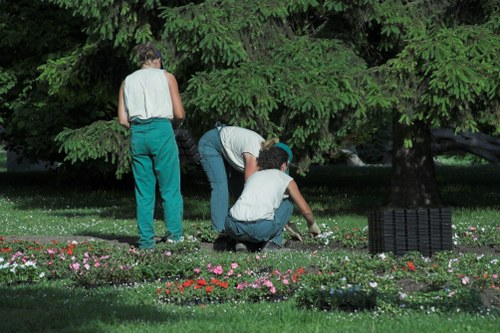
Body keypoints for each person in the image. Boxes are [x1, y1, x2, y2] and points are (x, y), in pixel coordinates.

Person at [117, 43, 185, 249]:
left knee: (144, 190)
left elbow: (122, 119)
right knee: (170, 187)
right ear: (158, 59)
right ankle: (174, 235)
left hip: (138, 133)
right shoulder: (166, 77)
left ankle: (146, 240)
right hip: (161, 130)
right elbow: (179, 113)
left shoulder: (127, 81)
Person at [224, 145, 321, 252]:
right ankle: (272, 244)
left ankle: (241, 242)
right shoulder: (286, 179)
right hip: (259, 229)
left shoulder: (253, 176)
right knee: (287, 203)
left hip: (232, 225)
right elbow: (305, 210)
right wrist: (312, 224)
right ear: (284, 165)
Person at [198, 125, 276, 233]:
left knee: (237, 187)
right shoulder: (254, 157)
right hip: (211, 143)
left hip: (231, 146)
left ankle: (241, 225)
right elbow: (250, 189)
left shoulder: (267, 156)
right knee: (221, 186)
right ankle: (219, 232)